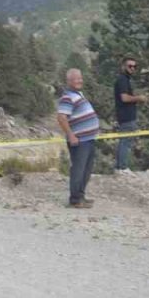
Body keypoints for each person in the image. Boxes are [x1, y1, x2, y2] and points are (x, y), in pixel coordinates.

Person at [56, 68, 101, 208]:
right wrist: (70, 135)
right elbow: (61, 117)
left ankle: (81, 196)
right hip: (79, 140)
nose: (79, 80)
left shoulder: (78, 94)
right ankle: (75, 199)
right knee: (78, 169)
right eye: (76, 78)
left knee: (86, 170)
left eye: (80, 78)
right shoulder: (67, 97)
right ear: (69, 81)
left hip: (89, 139)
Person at [113, 56, 148, 171]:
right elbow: (124, 98)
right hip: (126, 116)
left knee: (125, 141)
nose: (132, 68)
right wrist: (139, 98)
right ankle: (122, 167)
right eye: (130, 66)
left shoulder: (126, 79)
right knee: (126, 142)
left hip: (126, 115)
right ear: (123, 66)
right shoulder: (122, 79)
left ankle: (120, 166)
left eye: (134, 66)